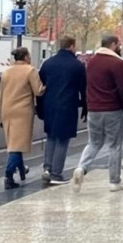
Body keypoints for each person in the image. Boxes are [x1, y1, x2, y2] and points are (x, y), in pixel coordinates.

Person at [72, 35, 123, 193]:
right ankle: (114, 181)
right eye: (118, 44)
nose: (120, 47)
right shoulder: (117, 63)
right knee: (114, 145)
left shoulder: (92, 62)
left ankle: (81, 168)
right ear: (113, 45)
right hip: (113, 109)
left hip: (94, 109)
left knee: (94, 142)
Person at [37, 36, 87, 185]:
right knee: (62, 139)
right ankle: (56, 174)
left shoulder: (47, 64)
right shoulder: (77, 66)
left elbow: (40, 88)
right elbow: (83, 89)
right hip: (67, 106)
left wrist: (40, 107)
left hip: (49, 106)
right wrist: (86, 107)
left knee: (51, 137)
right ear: (71, 46)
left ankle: (47, 168)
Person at [0, 47, 45, 189]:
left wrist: (0, 116)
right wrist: (48, 85)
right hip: (22, 112)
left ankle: (22, 171)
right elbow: (38, 91)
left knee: (14, 142)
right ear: (25, 57)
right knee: (16, 146)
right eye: (29, 55)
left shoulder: (6, 72)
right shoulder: (30, 70)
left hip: (6, 110)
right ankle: (8, 174)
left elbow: (1, 94)